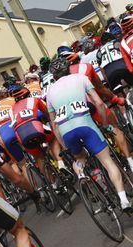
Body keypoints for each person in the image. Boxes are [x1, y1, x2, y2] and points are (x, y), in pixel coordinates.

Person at [47, 57, 131, 211]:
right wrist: (105, 124)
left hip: (66, 131)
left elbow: (54, 125)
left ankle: (83, 177)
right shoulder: (81, 78)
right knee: (108, 162)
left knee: (79, 159)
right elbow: (99, 103)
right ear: (69, 69)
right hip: (85, 125)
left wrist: (65, 146)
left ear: (53, 76)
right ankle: (123, 200)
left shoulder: (50, 91)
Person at [58, 49, 133, 171]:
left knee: (87, 139)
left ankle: (95, 171)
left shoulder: (59, 81)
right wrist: (114, 98)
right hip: (92, 104)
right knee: (114, 128)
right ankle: (130, 161)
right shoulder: (86, 67)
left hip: (74, 114)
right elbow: (101, 89)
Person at [8, 85, 67, 174]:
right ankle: (60, 162)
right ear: (27, 93)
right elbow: (48, 113)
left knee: (39, 157)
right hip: (37, 127)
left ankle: (52, 184)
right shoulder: (34, 99)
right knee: (53, 138)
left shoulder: (10, 110)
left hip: (21, 135)